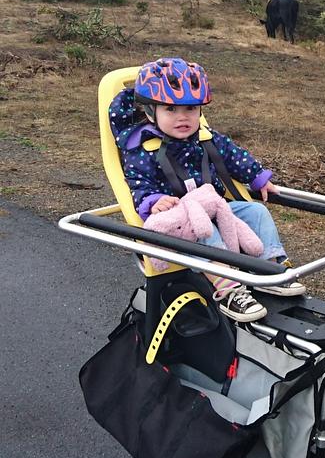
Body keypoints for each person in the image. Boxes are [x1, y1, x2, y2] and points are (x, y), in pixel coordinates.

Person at [110, 56, 305, 322]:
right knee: (205, 230)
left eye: (190, 109)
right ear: (149, 112)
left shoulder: (205, 138)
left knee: (255, 211)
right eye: (170, 109)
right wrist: (153, 200)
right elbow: (137, 183)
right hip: (179, 222)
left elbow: (235, 156)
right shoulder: (142, 150)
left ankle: (269, 268)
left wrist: (258, 177)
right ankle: (229, 290)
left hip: (216, 207)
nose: (183, 117)